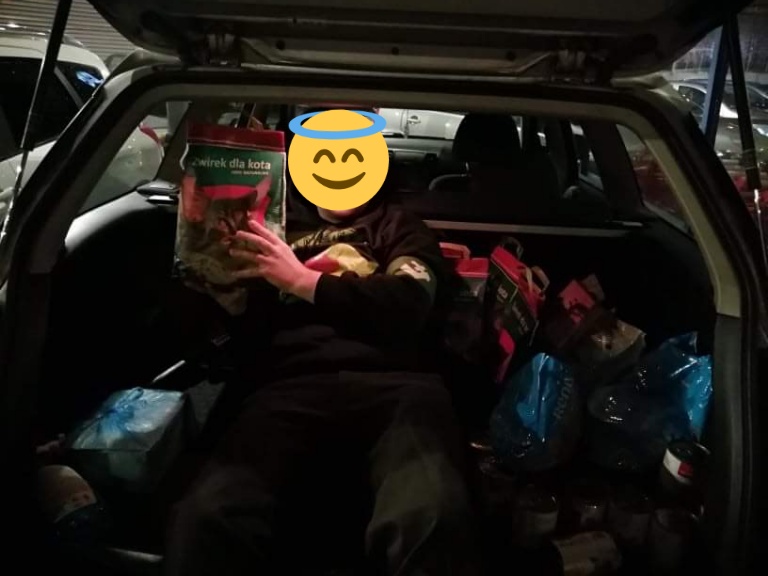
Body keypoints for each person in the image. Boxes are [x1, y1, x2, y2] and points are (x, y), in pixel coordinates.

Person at [164, 183, 481, 575]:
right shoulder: (271, 224)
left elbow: (409, 300)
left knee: (432, 515)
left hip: (397, 383)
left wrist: (301, 280)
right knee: (207, 517)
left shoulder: (398, 225)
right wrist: (211, 275)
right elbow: (227, 326)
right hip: (288, 385)